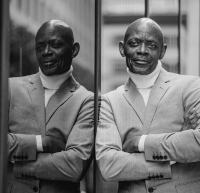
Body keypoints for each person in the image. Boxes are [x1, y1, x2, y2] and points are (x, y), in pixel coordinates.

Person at [96, 17, 200, 193]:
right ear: (122, 48)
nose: (142, 51)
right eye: (134, 43)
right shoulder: (110, 101)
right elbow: (109, 165)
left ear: (162, 51)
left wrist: (140, 143)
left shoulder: (191, 87)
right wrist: (174, 154)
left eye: (151, 45)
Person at [7, 20, 94, 193]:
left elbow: (74, 165)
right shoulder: (10, 88)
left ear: (74, 50)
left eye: (55, 45)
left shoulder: (87, 100)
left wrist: (15, 167)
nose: (46, 52)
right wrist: (41, 143)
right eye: (40, 47)